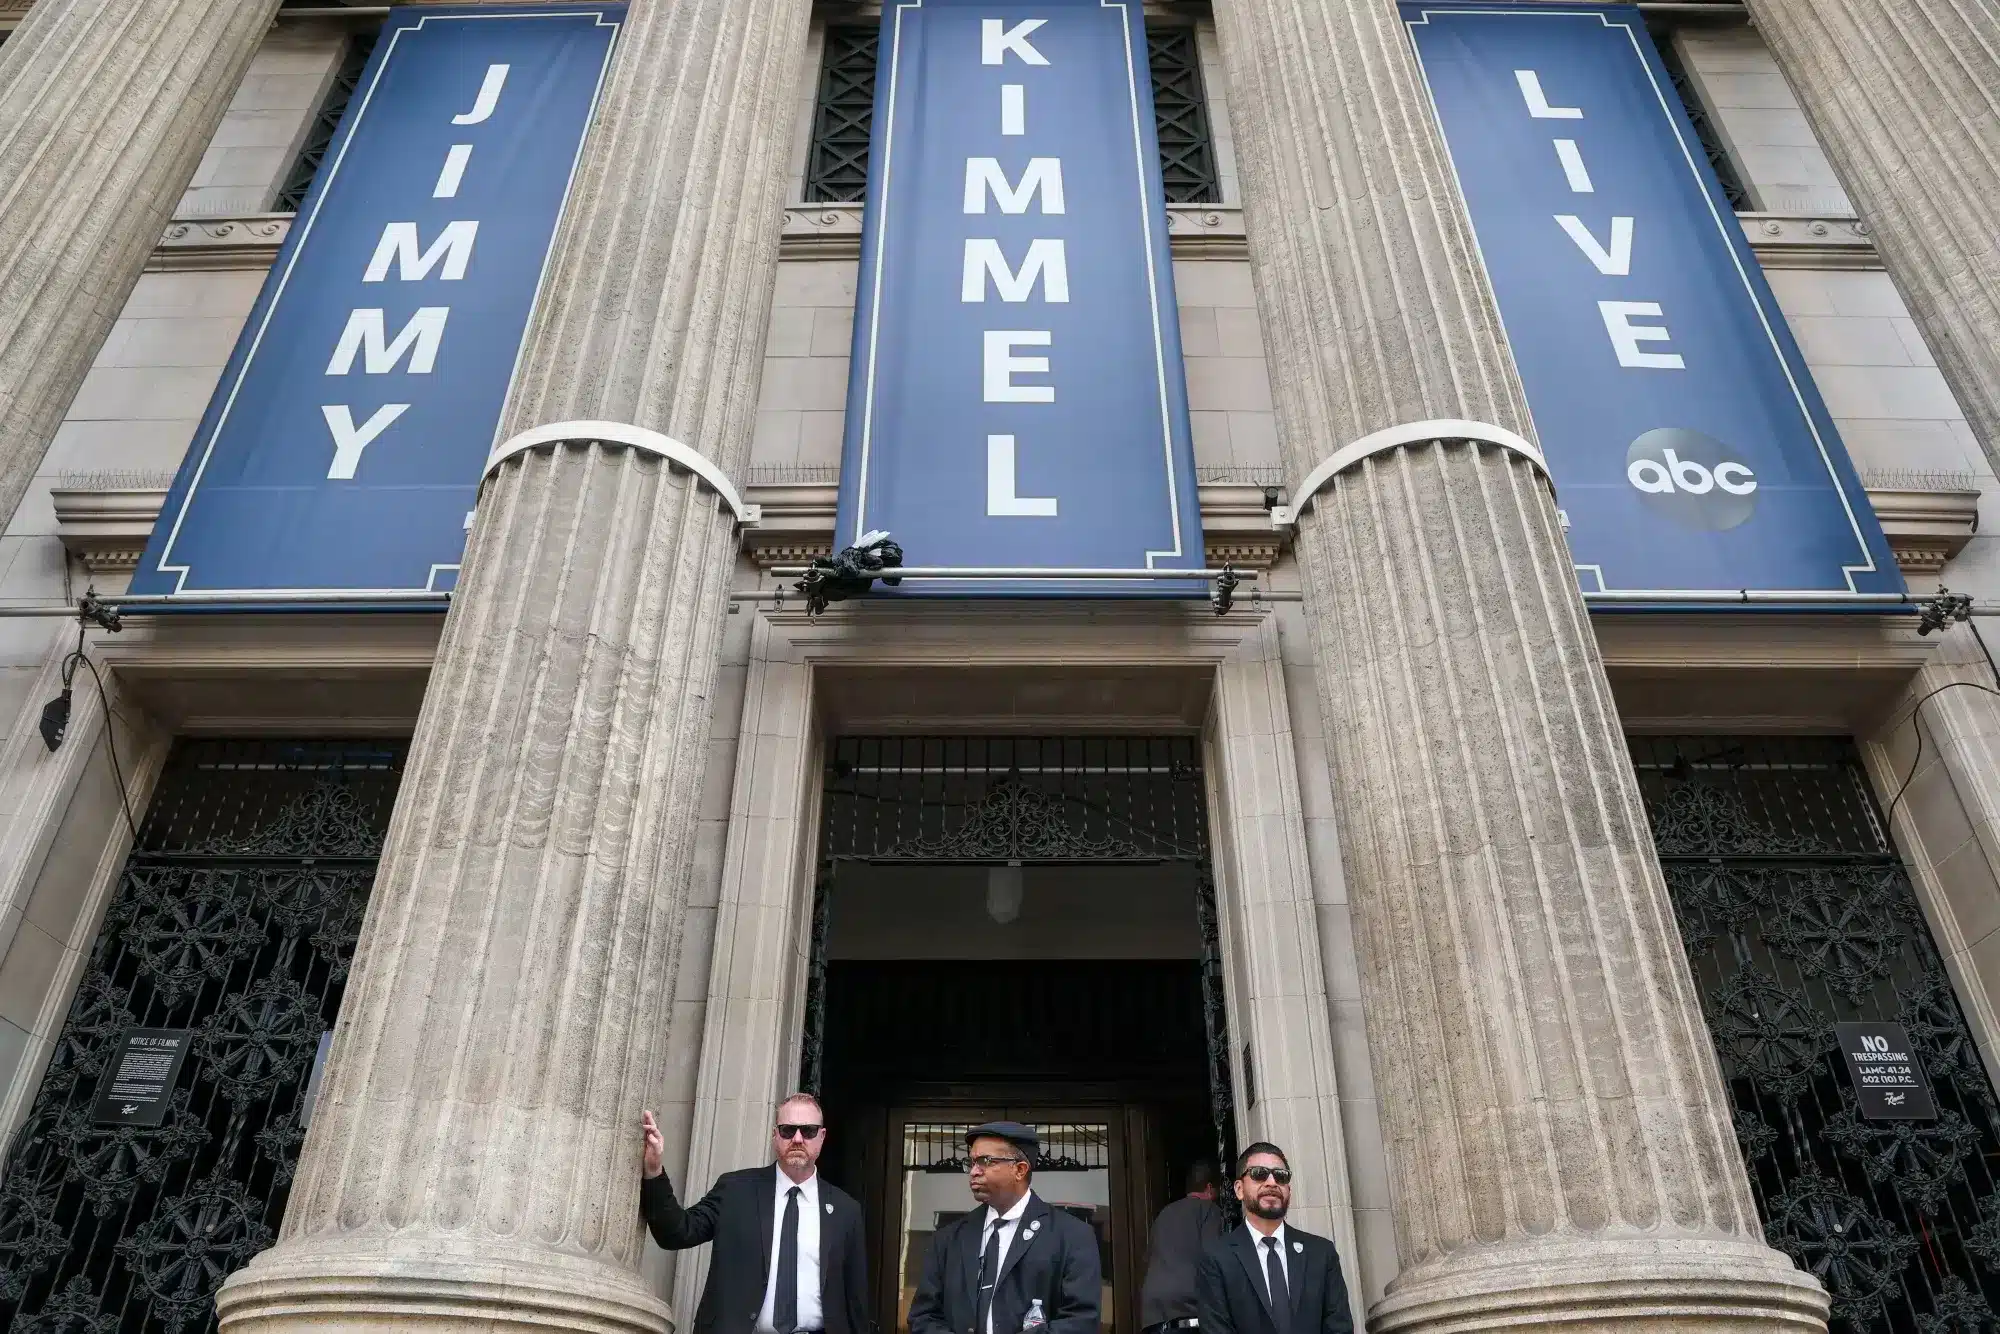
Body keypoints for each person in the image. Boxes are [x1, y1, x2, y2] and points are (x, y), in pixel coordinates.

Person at [639, 1093, 871, 1334]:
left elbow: (856, 1301)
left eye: (809, 1131)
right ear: (775, 1135)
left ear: (822, 1137)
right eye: (788, 1130)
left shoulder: (846, 1211)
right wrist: (654, 1171)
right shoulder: (735, 1190)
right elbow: (676, 1232)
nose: (798, 1139)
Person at [908, 1121, 1101, 1334]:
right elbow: (923, 1317)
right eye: (970, 1162)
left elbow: (1081, 1320)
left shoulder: (1072, 1236)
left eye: (984, 1161)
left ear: (1019, 1169)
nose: (973, 1172)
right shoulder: (948, 1238)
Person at [1194, 1144, 1352, 1334]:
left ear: (1289, 1190)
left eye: (1281, 1176)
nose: (1271, 1182)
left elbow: (1339, 1328)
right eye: (1259, 1174)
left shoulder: (1321, 1253)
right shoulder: (1216, 1258)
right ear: (1239, 1189)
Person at [1139, 1161, 1225, 1334]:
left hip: (1153, 1314)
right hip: (1187, 1312)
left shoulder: (1164, 1214)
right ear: (1209, 1188)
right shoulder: (1208, 1210)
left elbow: (1147, 1259)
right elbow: (1214, 1260)